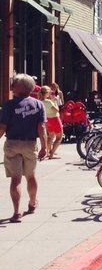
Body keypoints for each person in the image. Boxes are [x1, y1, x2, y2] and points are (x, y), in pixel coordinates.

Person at [0, 74, 48, 223]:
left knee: (16, 179)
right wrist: (45, 146)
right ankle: (32, 203)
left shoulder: (9, 105)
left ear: (20, 88)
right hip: (30, 144)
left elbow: (2, 127)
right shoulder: (38, 104)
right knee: (31, 175)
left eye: (14, 84)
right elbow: (42, 128)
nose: (12, 86)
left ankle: (16, 212)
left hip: (12, 143)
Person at [40, 86, 64, 159]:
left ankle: (47, 152)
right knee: (59, 137)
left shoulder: (40, 102)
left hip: (48, 120)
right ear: (47, 93)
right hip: (55, 119)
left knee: (50, 136)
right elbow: (56, 110)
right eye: (50, 92)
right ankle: (51, 154)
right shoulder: (49, 102)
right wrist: (55, 102)